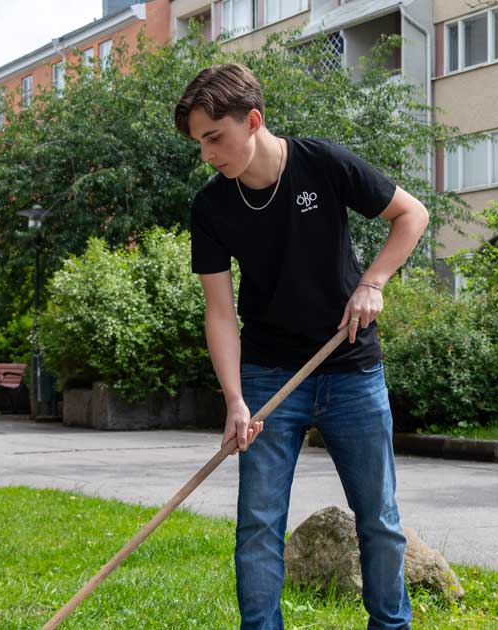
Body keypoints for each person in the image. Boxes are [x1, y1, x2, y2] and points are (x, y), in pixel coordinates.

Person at [174, 63, 428, 630]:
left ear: (253, 121)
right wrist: (235, 400)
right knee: (259, 524)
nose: (207, 154)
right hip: (268, 377)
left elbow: (412, 214)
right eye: (199, 143)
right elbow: (220, 312)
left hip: (351, 368)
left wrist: (373, 283)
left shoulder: (322, 163)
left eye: (214, 137)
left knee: (379, 519)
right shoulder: (211, 208)